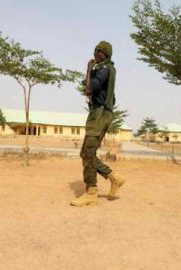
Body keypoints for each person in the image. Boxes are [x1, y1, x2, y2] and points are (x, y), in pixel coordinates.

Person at [70, 41, 126, 207]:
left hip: (99, 115)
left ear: (106, 54)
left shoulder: (104, 70)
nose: (95, 53)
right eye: (95, 50)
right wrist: (90, 73)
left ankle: (91, 193)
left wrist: (88, 70)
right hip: (101, 114)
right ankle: (114, 177)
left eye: (99, 51)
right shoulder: (107, 70)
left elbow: (88, 90)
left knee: (88, 153)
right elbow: (88, 86)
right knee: (86, 153)